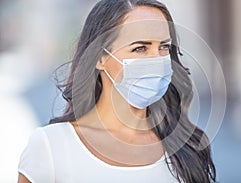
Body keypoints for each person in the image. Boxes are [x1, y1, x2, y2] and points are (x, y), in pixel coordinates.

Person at [18, 0, 216, 182]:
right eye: (140, 48)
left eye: (164, 47)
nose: (157, 60)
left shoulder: (186, 146)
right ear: (100, 58)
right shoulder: (50, 147)